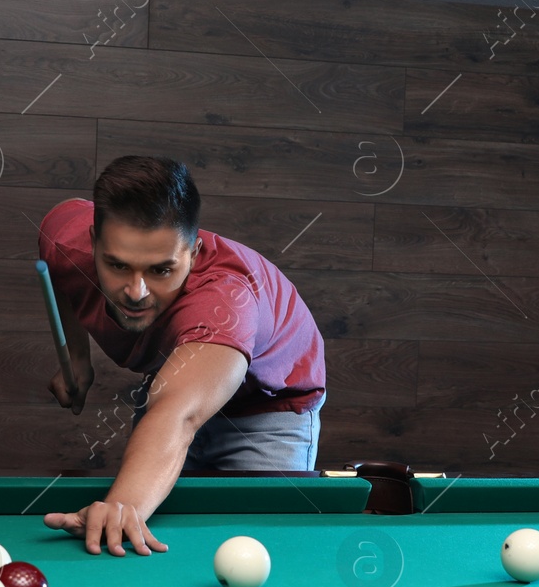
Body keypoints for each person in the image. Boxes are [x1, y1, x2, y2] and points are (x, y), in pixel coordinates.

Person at [37, 155, 326, 557]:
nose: (136, 292)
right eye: (117, 265)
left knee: (259, 550)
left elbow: (179, 414)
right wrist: (77, 356)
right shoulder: (64, 239)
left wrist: (124, 507)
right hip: (173, 386)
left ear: (193, 253)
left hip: (264, 409)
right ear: (92, 243)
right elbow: (58, 264)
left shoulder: (226, 300)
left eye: (161, 270)